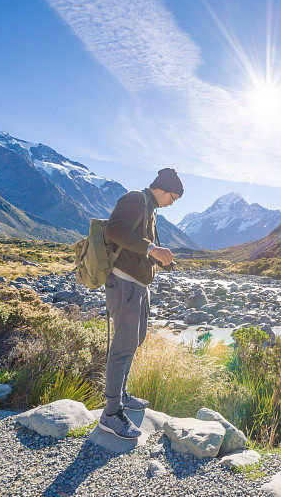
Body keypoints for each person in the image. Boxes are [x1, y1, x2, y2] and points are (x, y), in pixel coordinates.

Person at [97, 168, 182, 438]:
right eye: (173, 196)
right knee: (122, 347)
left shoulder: (150, 208)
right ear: (162, 188)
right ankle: (111, 413)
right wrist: (151, 249)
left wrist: (157, 258)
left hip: (138, 286)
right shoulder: (134, 199)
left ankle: (121, 394)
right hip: (124, 284)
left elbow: (139, 246)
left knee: (135, 340)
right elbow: (114, 231)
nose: (173, 202)